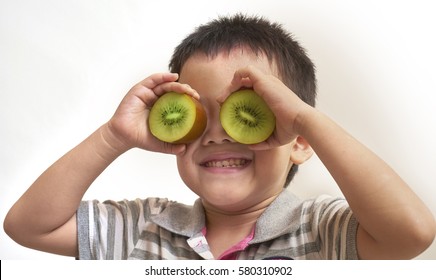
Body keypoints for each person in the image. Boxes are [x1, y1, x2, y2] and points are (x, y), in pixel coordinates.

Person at [4, 14, 435, 260]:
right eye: (196, 115)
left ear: (300, 140)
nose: (215, 135)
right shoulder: (145, 228)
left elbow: (412, 233)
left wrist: (308, 120)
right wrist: (112, 137)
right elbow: (29, 226)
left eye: (247, 113)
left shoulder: (321, 230)